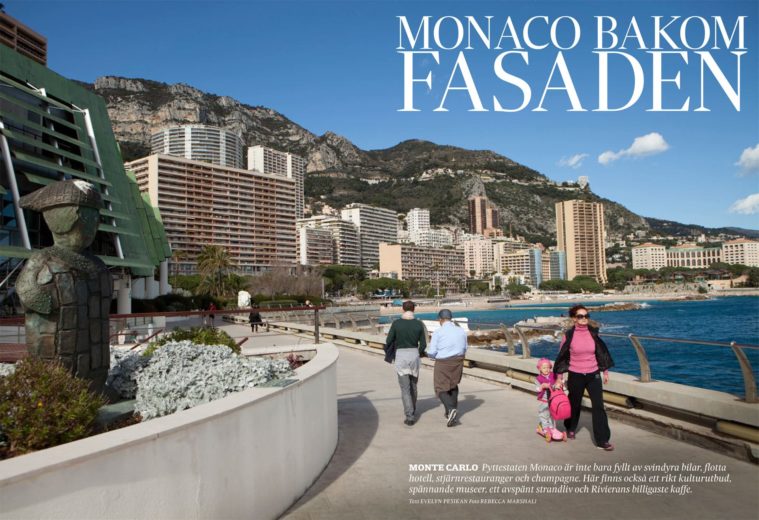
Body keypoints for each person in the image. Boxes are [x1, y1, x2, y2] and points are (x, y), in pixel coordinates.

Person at [553, 305, 615, 451]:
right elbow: (562, 357)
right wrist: (559, 378)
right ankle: (571, 428)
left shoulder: (593, 333)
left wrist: (605, 371)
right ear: (574, 318)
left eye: (586, 316)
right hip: (575, 374)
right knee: (574, 404)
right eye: (580, 316)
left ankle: (602, 440)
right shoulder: (568, 336)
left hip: (593, 374)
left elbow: (601, 352)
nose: (584, 319)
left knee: (598, 406)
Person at [385, 300, 427, 426]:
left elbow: (388, 340)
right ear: (413, 309)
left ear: (403, 309)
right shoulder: (419, 324)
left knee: (405, 388)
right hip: (414, 354)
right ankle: (412, 409)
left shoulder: (396, 323)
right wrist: (418, 352)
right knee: (413, 385)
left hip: (401, 355)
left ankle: (410, 416)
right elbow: (424, 344)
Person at [427, 309, 468, 427]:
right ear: (451, 318)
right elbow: (465, 347)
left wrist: (430, 355)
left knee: (440, 388)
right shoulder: (461, 331)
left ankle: (450, 409)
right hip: (458, 360)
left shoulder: (438, 332)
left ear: (440, 319)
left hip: (443, 362)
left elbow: (433, 352)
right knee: (453, 385)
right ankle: (450, 411)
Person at [535, 358, 564, 441]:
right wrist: (542, 386)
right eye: (544, 368)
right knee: (544, 414)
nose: (546, 369)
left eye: (548, 367)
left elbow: (556, 383)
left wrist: (560, 383)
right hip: (544, 400)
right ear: (539, 368)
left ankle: (552, 428)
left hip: (553, 399)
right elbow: (536, 389)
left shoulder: (552, 375)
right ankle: (545, 428)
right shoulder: (538, 378)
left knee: (552, 414)